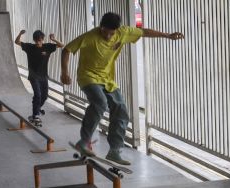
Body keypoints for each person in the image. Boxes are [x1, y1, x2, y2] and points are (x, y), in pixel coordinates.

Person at [61, 12, 184, 165]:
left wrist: (167, 35)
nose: (107, 36)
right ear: (101, 27)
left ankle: (114, 151)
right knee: (100, 103)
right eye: (104, 32)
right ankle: (84, 141)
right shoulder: (89, 36)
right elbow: (66, 50)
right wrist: (64, 72)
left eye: (111, 33)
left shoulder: (123, 32)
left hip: (107, 80)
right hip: (88, 77)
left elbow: (144, 32)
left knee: (121, 110)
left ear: (117, 30)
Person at [15, 30, 64, 124]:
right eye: (36, 40)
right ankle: (35, 115)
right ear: (34, 40)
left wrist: (54, 39)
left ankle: (37, 109)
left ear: (43, 39)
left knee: (44, 96)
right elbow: (17, 42)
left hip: (44, 76)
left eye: (40, 40)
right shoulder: (29, 47)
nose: (38, 42)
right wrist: (20, 34)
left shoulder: (48, 47)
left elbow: (62, 45)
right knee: (38, 95)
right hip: (33, 76)